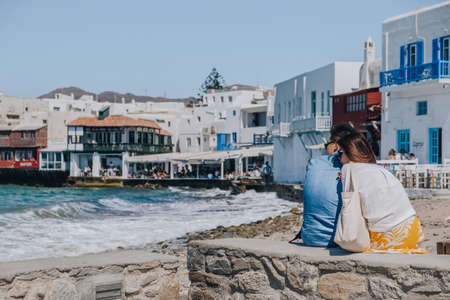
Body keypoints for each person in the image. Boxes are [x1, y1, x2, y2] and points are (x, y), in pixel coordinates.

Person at [337, 133, 425, 254]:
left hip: (388, 236)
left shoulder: (349, 169)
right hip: (413, 231)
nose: (339, 159)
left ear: (349, 152)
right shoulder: (380, 170)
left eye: (339, 154)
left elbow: (349, 206)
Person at [292, 124, 357, 247]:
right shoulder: (352, 166)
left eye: (327, 145)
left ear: (336, 146)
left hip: (309, 238)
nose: (325, 149)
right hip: (339, 242)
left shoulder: (313, 163)